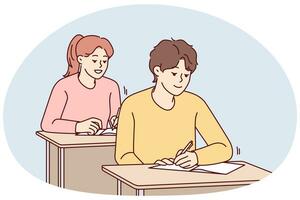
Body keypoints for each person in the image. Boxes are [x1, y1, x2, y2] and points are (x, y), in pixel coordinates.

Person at [115, 39, 232, 168]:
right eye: (174, 73)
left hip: (184, 179)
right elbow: (123, 155)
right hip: (144, 181)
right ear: (158, 71)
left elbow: (224, 148)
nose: (181, 80)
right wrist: (151, 168)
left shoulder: (195, 104)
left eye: (186, 75)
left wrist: (196, 157)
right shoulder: (132, 105)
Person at [41, 34, 121, 135]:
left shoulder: (111, 86)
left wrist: (116, 120)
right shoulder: (63, 86)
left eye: (104, 61)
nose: (100, 65)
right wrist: (78, 126)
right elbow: (48, 123)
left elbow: (114, 117)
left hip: (102, 143)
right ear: (81, 59)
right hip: (70, 145)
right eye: (94, 60)